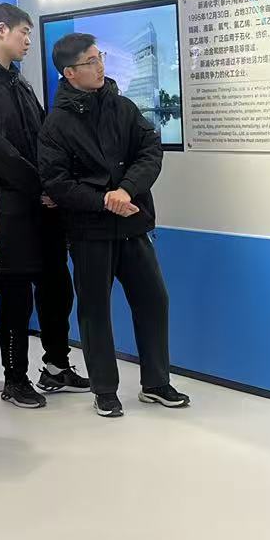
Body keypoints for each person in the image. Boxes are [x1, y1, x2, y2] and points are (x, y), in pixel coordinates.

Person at [38, 33, 189, 419]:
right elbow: (58, 183)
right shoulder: (56, 124)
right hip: (89, 232)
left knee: (154, 299)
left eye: (100, 57)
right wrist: (105, 199)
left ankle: (156, 382)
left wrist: (126, 189)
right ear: (70, 73)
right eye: (90, 61)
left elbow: (150, 151)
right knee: (94, 311)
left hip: (132, 224)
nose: (100, 66)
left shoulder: (123, 107)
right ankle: (104, 389)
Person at [0, 4, 90, 409]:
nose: (29, 41)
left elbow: (44, 138)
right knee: (15, 295)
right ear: (1, 30)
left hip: (44, 206)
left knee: (57, 287)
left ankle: (56, 365)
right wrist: (40, 185)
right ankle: (15, 378)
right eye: (24, 33)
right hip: (8, 208)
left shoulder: (19, 82)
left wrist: (55, 185)